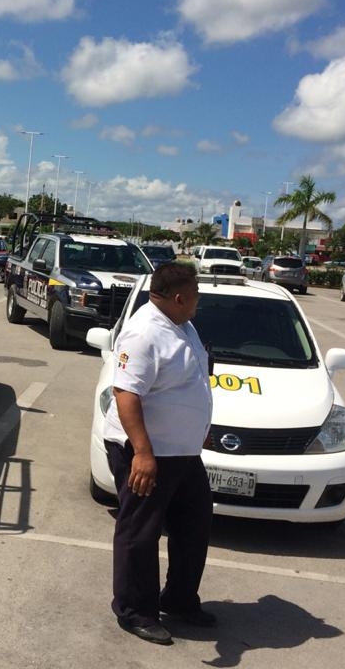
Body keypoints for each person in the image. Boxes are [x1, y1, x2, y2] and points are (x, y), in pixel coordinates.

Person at [103, 262, 216, 646]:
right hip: (148, 453)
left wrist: (199, 425)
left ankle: (180, 600)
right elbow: (126, 394)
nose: (199, 301)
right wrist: (143, 453)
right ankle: (135, 610)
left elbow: (191, 382)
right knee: (140, 531)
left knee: (195, 524)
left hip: (182, 454)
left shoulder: (184, 325)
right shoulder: (144, 332)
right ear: (180, 297)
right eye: (196, 295)